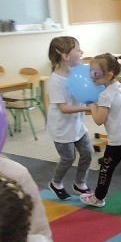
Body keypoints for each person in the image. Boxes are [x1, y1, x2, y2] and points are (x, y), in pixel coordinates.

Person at [81, 53, 121, 210]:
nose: (91, 76)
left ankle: (98, 198)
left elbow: (99, 119)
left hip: (119, 142)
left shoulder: (106, 95)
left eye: (95, 73)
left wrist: (91, 104)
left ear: (109, 75)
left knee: (106, 169)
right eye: (91, 72)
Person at [46, 36, 94, 200]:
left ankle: (80, 182)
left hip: (77, 125)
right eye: (78, 50)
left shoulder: (77, 73)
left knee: (88, 152)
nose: (82, 52)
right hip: (61, 127)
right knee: (68, 158)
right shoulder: (55, 81)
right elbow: (63, 108)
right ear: (66, 55)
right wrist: (86, 108)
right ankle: (56, 183)